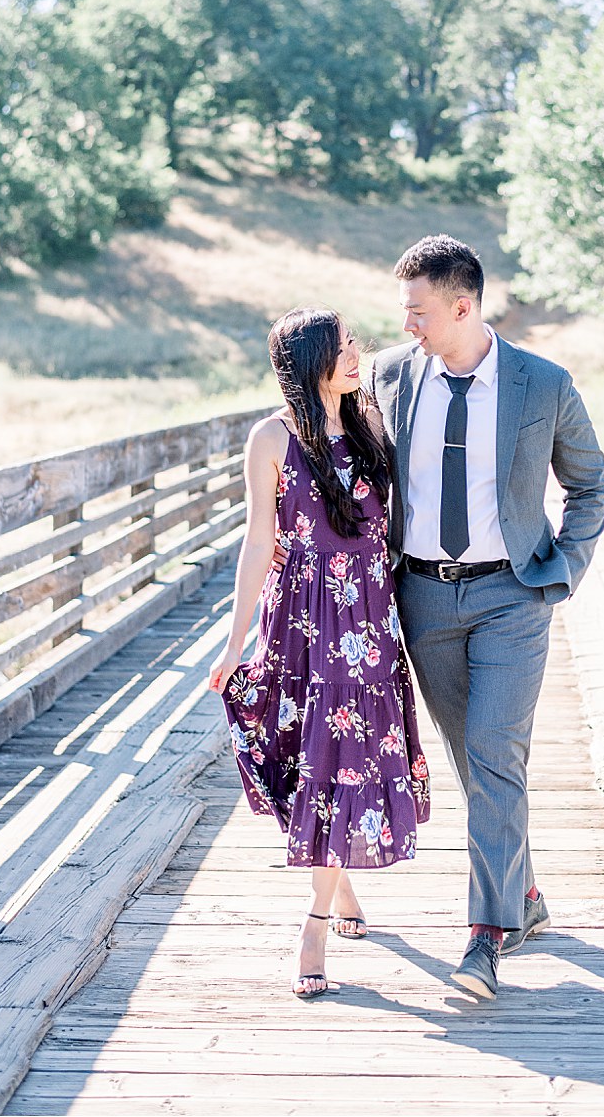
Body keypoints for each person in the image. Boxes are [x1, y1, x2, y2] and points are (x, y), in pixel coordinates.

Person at [369, 234, 604, 1000]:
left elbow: (590, 486)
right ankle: (527, 901)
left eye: (417, 312)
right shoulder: (388, 375)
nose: (406, 325)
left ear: (462, 306)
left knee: (494, 754)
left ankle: (484, 938)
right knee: (475, 765)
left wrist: (561, 572)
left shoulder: (541, 385)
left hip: (512, 596)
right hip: (424, 599)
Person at [207, 308, 430, 1000]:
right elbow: (256, 542)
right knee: (316, 757)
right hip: (302, 620)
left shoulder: (368, 422)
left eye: (355, 342)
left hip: (367, 618)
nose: (356, 354)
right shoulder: (270, 437)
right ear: (309, 363)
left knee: (354, 756)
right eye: (341, 348)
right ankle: (331, 900)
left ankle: (317, 916)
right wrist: (232, 640)